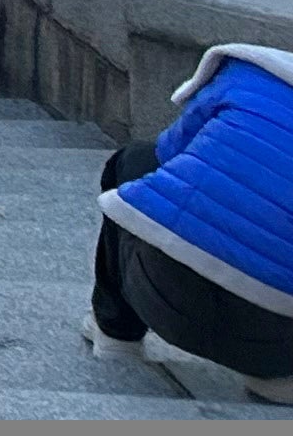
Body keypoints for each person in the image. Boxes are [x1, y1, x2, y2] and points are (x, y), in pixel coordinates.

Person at [89, 44, 293, 399]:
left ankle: (115, 333)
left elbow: (167, 154)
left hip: (160, 296)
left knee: (134, 160)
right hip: (276, 345)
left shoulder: (248, 76)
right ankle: (276, 378)